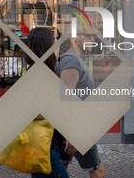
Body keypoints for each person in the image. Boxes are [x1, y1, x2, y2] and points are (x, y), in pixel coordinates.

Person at [58, 25, 105, 178]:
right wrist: (70, 133)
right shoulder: (71, 61)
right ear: (75, 37)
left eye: (93, 37)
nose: (93, 40)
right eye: (88, 36)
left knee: (60, 169)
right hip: (76, 128)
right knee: (98, 170)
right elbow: (66, 98)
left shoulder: (76, 60)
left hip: (74, 126)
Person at [25, 27, 69, 178]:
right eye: (55, 42)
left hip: (47, 147)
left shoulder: (48, 73)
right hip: (44, 151)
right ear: (46, 48)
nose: (58, 47)